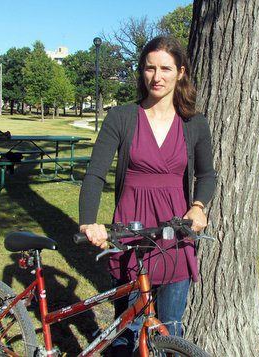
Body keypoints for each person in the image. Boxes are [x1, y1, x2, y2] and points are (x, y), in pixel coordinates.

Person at [79, 36, 216, 355]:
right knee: (129, 328)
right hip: (130, 234)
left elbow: (207, 174)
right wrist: (89, 223)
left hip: (175, 235)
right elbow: (95, 173)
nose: (157, 76)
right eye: (150, 68)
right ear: (142, 72)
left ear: (180, 72)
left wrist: (198, 207)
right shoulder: (121, 118)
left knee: (170, 326)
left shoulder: (194, 123)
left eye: (166, 68)